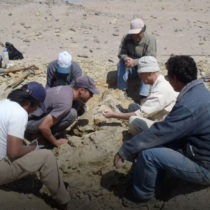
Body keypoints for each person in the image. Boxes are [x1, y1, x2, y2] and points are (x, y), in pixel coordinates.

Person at [114, 55, 210, 205]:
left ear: (175, 78)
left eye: (169, 77)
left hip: (204, 166)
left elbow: (162, 131)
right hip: (195, 149)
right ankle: (155, 185)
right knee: (159, 145)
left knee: (149, 155)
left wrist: (127, 149)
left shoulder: (188, 104)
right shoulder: (200, 92)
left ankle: (141, 198)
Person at [0, 82, 73, 209]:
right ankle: (63, 201)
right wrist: (35, 146)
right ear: (28, 104)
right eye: (37, 106)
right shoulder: (20, 113)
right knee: (46, 156)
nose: (36, 110)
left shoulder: (4, 103)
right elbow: (14, 152)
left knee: (23, 144)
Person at [103, 56, 177, 135]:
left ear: (150, 73)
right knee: (132, 107)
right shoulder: (159, 82)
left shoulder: (161, 89)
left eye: (141, 74)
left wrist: (113, 115)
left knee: (134, 121)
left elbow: (140, 114)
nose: (140, 77)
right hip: (155, 115)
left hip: (163, 125)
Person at [26, 76, 100, 147]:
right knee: (72, 114)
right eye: (91, 93)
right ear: (81, 90)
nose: (92, 96)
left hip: (32, 115)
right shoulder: (66, 103)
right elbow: (43, 127)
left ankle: (46, 134)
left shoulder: (67, 88)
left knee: (77, 104)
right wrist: (55, 142)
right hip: (28, 123)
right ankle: (40, 137)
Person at [117, 18, 157, 103]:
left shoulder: (150, 39)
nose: (135, 36)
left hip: (143, 70)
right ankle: (122, 90)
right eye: (134, 34)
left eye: (138, 34)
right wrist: (126, 59)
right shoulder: (126, 38)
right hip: (130, 69)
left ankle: (143, 96)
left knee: (148, 66)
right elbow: (121, 53)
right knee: (121, 63)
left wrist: (135, 62)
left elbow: (151, 58)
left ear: (143, 31)